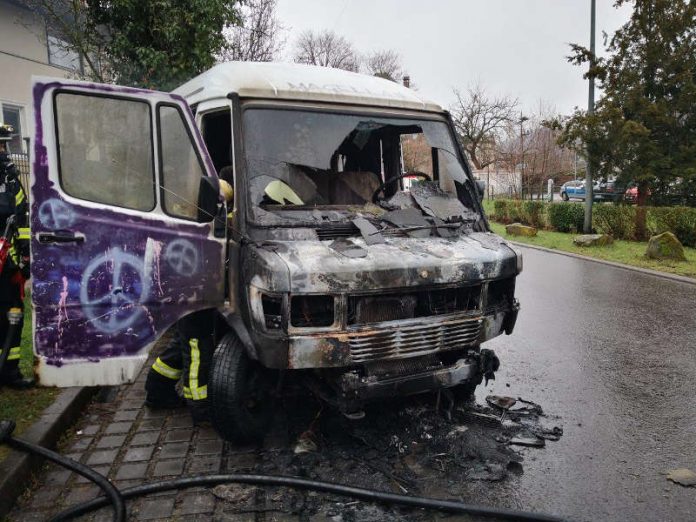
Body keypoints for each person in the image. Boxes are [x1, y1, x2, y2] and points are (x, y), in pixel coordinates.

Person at [144, 179, 233, 423]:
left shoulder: (186, 219)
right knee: (197, 352)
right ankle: (199, 405)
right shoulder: (202, 226)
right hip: (194, 297)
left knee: (181, 345)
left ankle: (157, 391)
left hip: (184, 295)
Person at [0, 124, 32, 388]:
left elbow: (22, 216)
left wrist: (26, 255)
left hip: (7, 265)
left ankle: (9, 371)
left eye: (4, 146)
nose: (3, 151)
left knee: (13, 314)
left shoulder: (10, 180)